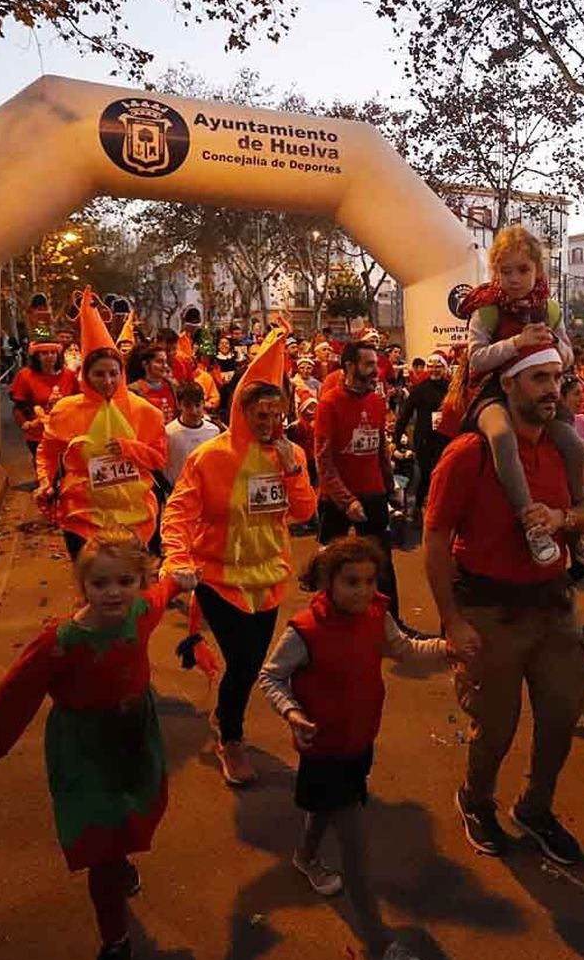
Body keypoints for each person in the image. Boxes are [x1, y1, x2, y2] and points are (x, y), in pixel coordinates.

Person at [0, 528, 199, 960]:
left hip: (133, 736)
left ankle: (118, 859)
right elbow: (18, 688)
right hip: (85, 748)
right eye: (100, 583)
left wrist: (180, 580)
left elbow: (164, 587)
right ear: (82, 587)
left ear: (139, 582)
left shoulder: (142, 612)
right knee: (100, 843)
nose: (114, 593)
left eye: (125, 582)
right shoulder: (61, 644)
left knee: (131, 812)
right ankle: (115, 938)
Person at [425, 343, 584, 865]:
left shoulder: (563, 447)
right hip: (486, 611)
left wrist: (562, 519)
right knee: (496, 727)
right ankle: (476, 800)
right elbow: (434, 541)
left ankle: (535, 807)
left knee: (561, 714)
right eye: (538, 379)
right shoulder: (469, 454)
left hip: (553, 606)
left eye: (556, 377)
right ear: (509, 385)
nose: (552, 389)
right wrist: (451, 622)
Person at [259, 537, 449, 960]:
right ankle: (381, 946)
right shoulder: (305, 630)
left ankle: (305, 856)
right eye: (351, 582)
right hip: (323, 749)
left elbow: (403, 648)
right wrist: (291, 713)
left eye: (369, 580)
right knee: (355, 848)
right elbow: (270, 677)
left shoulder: (376, 613)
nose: (363, 590)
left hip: (359, 740)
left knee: (324, 809)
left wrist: (445, 649)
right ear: (327, 582)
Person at [161, 332, 316, 786]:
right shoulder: (210, 458)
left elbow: (305, 514)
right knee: (246, 665)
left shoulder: (292, 454)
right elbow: (179, 510)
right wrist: (176, 558)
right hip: (218, 579)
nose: (269, 422)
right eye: (260, 414)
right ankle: (231, 737)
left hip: (268, 580)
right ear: (242, 412)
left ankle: (226, 722)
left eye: (277, 414)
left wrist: (292, 471)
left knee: (247, 664)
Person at [455, 225, 584, 567]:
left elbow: (569, 355)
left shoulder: (551, 309)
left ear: (538, 271)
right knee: (500, 435)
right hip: (493, 393)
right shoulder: (485, 309)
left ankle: (575, 527)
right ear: (494, 272)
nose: (513, 279)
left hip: (539, 395)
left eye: (523, 270)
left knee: (574, 445)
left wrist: (553, 343)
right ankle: (532, 524)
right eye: (505, 271)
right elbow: (477, 358)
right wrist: (517, 343)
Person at [36, 294, 169, 559]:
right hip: (83, 519)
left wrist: (129, 449)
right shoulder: (66, 410)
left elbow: (159, 458)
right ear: (86, 375)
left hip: (136, 517)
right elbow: (48, 452)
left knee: (133, 589)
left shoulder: (146, 412)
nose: (107, 381)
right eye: (99, 374)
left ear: (122, 374)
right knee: (94, 588)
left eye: (113, 373)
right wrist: (45, 483)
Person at [315, 338, 408, 625]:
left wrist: (390, 488)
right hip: (335, 501)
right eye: (368, 365)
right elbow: (324, 459)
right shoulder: (329, 403)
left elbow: (380, 447)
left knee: (382, 564)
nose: (375, 371)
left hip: (373, 493)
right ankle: (328, 625)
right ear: (349, 366)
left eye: (376, 365)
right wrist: (346, 500)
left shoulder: (377, 401)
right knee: (330, 566)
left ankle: (390, 624)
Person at [392, 351, 450, 526]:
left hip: (445, 437)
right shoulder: (419, 389)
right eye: (431, 366)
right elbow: (405, 415)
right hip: (424, 438)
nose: (434, 370)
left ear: (444, 368)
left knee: (444, 474)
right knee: (425, 475)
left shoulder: (451, 387)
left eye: (438, 366)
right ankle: (417, 507)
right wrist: (397, 438)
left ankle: (441, 510)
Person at [10, 342, 75, 463]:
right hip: (38, 434)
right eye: (44, 353)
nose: (50, 356)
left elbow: (78, 401)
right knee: (45, 470)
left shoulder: (69, 375)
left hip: (66, 433)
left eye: (53, 353)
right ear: (36, 356)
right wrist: (26, 424)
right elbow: (18, 406)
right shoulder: (25, 375)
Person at [161, 381, 221, 486]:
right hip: (179, 491)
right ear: (179, 405)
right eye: (188, 406)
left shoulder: (214, 431)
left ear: (204, 403)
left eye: (197, 405)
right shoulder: (168, 433)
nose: (193, 411)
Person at [129, 343, 179, 424]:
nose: (165, 366)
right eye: (159, 362)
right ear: (145, 364)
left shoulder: (173, 386)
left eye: (165, 362)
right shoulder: (134, 390)